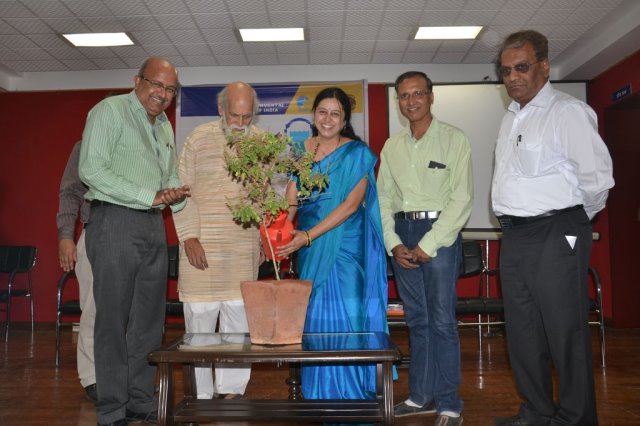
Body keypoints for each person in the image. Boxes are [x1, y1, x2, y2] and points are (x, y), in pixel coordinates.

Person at [491, 30, 614, 426]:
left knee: (565, 330)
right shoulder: (510, 118)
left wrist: (571, 224)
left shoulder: (567, 111)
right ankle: (537, 411)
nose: (513, 77)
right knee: (523, 332)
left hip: (556, 230)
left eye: (521, 67)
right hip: (515, 235)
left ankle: (577, 419)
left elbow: (597, 181)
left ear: (544, 66)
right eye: (506, 71)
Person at [79, 57, 190, 426]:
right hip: (114, 221)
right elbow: (91, 170)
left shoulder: (164, 127)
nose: (163, 94)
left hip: (153, 225)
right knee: (112, 319)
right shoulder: (110, 111)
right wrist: (150, 195)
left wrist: (176, 193)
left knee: (149, 321)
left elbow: (168, 176)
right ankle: (112, 409)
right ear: (137, 80)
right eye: (156, 84)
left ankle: (140, 400)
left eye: (170, 89)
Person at [277, 87, 389, 401]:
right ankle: (320, 395)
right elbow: (292, 198)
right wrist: (281, 231)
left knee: (349, 315)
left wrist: (308, 236)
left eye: (335, 114)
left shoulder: (357, 153)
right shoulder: (300, 150)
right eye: (322, 112)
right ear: (314, 115)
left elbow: (351, 206)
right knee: (315, 317)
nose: (328, 119)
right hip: (309, 249)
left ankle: (354, 396)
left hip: (346, 246)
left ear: (344, 120)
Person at [377, 71, 472, 426]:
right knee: (417, 321)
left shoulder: (454, 139)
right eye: (404, 95)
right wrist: (393, 243)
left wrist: (429, 243)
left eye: (418, 93)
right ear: (397, 102)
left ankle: (449, 403)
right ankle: (420, 396)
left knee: (442, 321)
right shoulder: (392, 147)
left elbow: (462, 198)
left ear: (431, 97)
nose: (411, 101)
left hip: (440, 233)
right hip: (402, 233)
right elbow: (383, 199)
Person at [172, 81, 262, 400]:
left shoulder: (260, 143)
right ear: (221, 109)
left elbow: (264, 197)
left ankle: (232, 390)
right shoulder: (198, 138)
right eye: (234, 115)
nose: (240, 123)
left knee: (238, 323)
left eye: (247, 116)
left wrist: (262, 241)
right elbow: (180, 192)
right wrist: (189, 236)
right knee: (200, 324)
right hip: (202, 246)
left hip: (242, 249)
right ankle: (201, 393)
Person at [56, 141, 96, 403]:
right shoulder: (86, 144)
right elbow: (71, 191)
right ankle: (92, 377)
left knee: (133, 313)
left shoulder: (146, 138)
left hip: (136, 234)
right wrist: (65, 236)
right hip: (95, 229)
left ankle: (128, 377)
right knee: (94, 310)